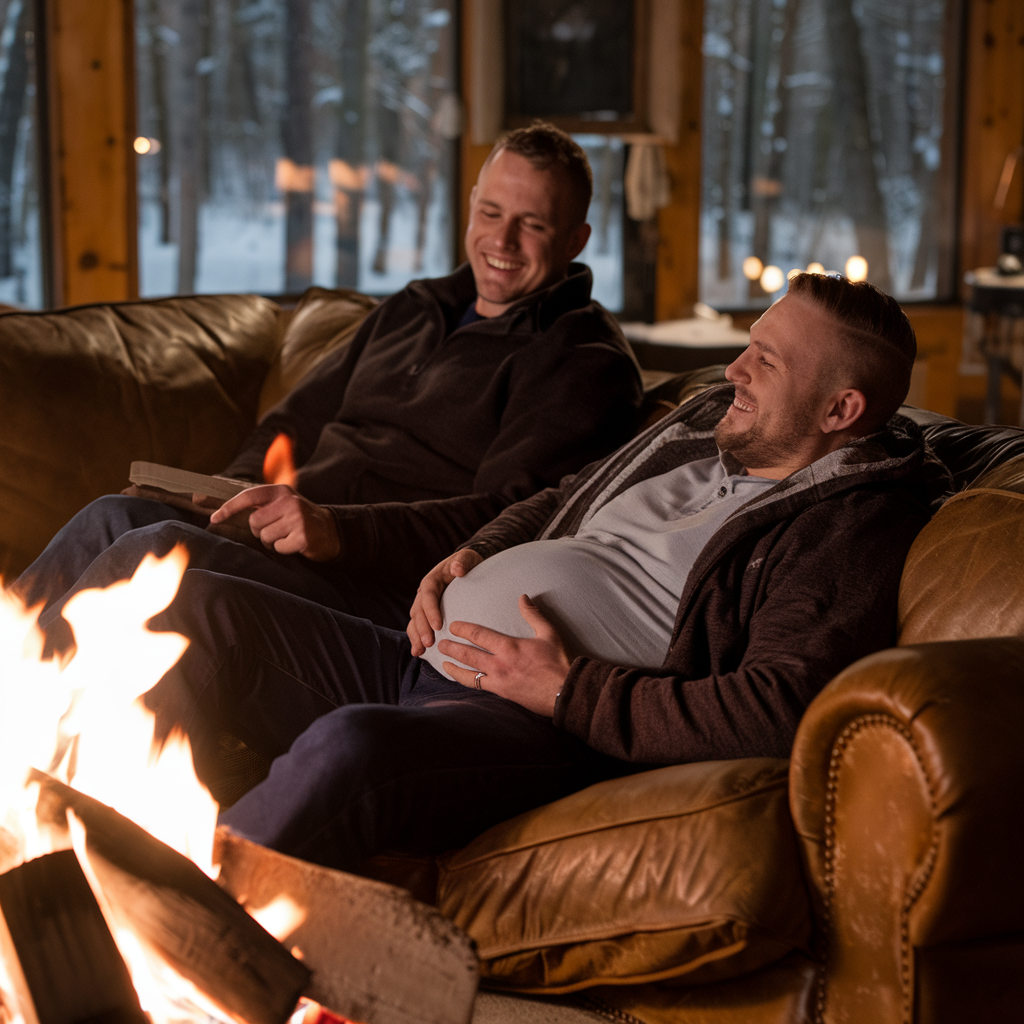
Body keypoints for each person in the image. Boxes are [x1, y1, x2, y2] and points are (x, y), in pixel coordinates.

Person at [47, 273, 950, 873]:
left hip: (529, 723)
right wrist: (470, 557)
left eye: (767, 361)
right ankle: (36, 818)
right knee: (175, 594)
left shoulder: (853, 519)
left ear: (841, 409)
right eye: (750, 344)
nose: (737, 368)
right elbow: (557, 499)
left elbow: (779, 708)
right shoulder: (707, 425)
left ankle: (157, 942)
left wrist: (570, 692)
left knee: (351, 747)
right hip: (419, 650)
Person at [13, 123, 641, 631]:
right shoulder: (414, 307)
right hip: (286, 541)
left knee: (130, 538)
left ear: (575, 239)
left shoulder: (583, 361)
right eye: (491, 211)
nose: (501, 240)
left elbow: (510, 519)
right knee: (120, 513)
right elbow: (295, 418)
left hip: (378, 583)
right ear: (471, 206)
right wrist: (232, 489)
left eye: (532, 224)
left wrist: (339, 531)